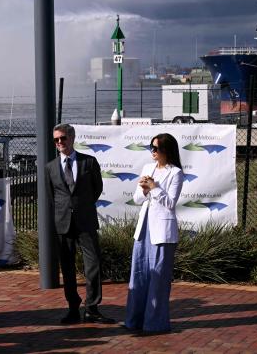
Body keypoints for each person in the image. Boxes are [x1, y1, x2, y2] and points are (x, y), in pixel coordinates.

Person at [45, 123, 114, 325]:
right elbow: (52, 197)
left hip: (86, 221)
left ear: (72, 138)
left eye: (63, 138)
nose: (59, 143)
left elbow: (96, 189)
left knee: (93, 264)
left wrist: (81, 206)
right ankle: (73, 308)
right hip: (63, 223)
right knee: (67, 267)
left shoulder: (89, 162)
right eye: (56, 139)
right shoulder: (50, 167)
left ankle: (92, 308)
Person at [124, 133, 184, 333]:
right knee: (138, 276)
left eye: (156, 148)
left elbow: (170, 203)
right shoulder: (147, 168)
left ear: (166, 150)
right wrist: (143, 190)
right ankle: (134, 320)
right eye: (151, 147)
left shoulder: (175, 173)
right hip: (144, 230)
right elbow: (137, 200)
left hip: (162, 232)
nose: (152, 151)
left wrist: (155, 188)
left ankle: (154, 324)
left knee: (158, 279)